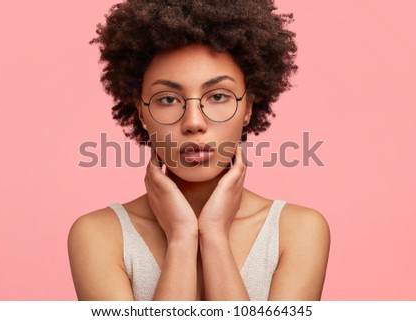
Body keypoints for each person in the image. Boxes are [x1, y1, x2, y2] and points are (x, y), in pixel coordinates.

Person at [68, 0, 330, 301]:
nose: (193, 123)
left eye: (218, 95)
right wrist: (181, 237)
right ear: (141, 112)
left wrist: (215, 236)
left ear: (248, 107)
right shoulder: (99, 236)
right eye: (168, 99)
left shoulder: (298, 231)